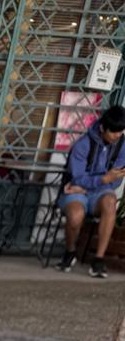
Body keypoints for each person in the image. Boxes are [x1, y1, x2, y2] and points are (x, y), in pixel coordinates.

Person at [59, 103, 125, 279]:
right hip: (76, 191)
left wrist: (99, 183)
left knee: (110, 202)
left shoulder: (121, 145)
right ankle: (70, 251)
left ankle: (98, 259)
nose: (117, 136)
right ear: (103, 128)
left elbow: (116, 179)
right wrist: (102, 179)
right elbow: (77, 178)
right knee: (75, 215)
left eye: (121, 132)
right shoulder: (83, 144)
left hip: (100, 192)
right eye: (114, 132)